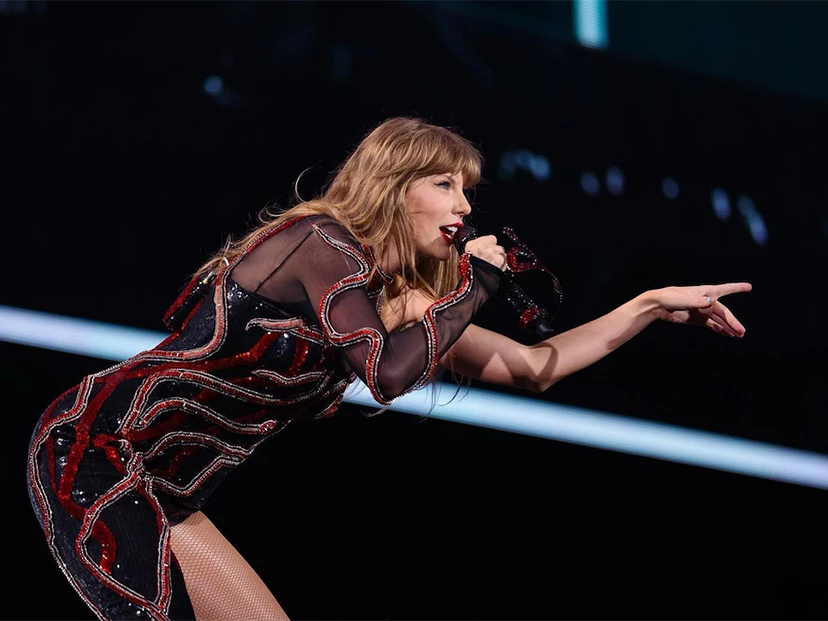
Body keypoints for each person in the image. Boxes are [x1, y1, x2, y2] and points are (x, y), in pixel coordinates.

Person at [26, 116, 752, 621]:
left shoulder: (404, 305)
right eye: (445, 185)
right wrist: (475, 288)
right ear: (395, 186)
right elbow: (385, 374)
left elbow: (535, 367)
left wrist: (650, 304)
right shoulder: (320, 244)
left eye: (468, 191)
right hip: (94, 451)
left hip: (169, 491)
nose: (464, 207)